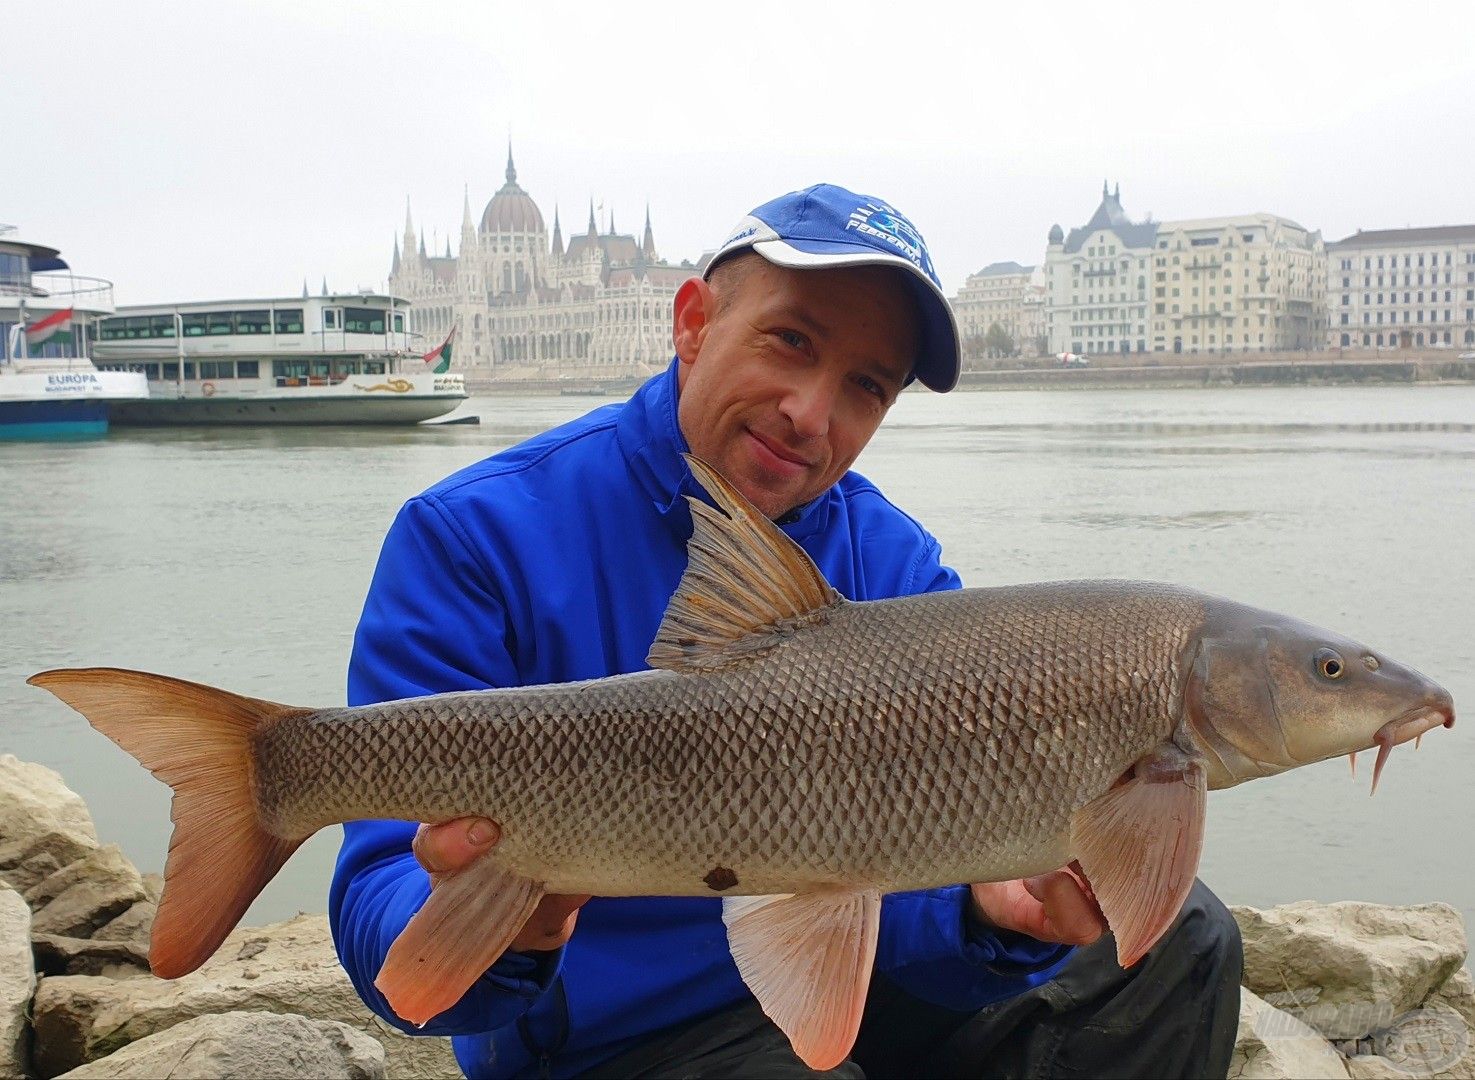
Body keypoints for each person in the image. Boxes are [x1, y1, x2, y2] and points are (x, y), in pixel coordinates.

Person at [330, 184, 1242, 1079]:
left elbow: (904, 901)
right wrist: (503, 925)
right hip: (626, 1034)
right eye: (790, 341)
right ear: (692, 322)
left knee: (1181, 939)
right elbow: (384, 903)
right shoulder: (476, 534)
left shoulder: (891, 563)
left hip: (845, 971)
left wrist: (988, 915)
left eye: (866, 386)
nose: (811, 413)